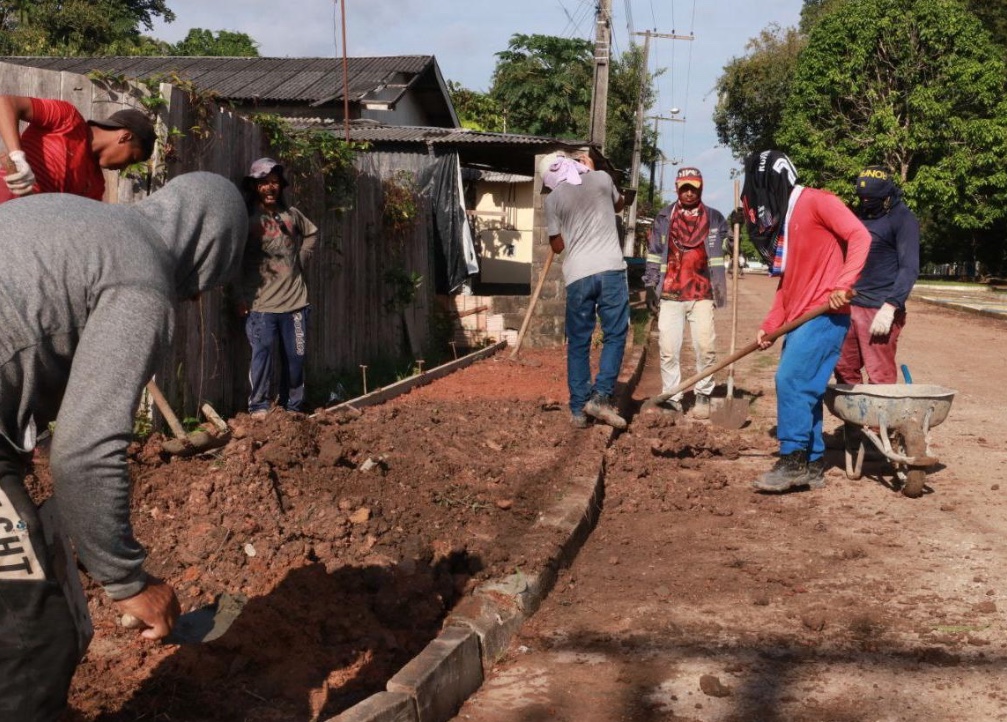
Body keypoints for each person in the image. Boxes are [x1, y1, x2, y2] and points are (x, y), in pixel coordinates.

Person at [0, 172, 247, 721]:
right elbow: (85, 453)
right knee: (31, 639)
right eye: (210, 279)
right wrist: (127, 580)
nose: (198, 293)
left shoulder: (76, 214)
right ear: (207, 249)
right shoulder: (142, 276)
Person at [741, 150, 871, 493]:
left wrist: (843, 284)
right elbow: (788, 284)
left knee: (791, 380)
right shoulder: (787, 221)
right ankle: (813, 464)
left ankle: (792, 460)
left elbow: (860, 236)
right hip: (799, 318)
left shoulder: (818, 202)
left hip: (825, 315)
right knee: (807, 390)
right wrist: (771, 323)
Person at [541, 151, 629, 430]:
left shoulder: (553, 199)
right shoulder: (602, 179)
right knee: (615, 334)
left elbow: (558, 246)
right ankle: (600, 396)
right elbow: (620, 204)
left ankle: (579, 408)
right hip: (610, 269)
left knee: (579, 342)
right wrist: (592, 171)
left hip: (578, 275)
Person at [643, 167, 728, 419]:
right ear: (677, 188)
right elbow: (654, 252)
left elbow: (724, 246)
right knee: (668, 348)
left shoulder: (715, 218)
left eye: (693, 188)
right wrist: (650, 284)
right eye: (684, 188)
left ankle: (703, 393)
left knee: (705, 346)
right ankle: (673, 396)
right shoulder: (663, 217)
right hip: (670, 293)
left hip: (702, 293)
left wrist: (732, 235)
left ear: (701, 188)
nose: (689, 193)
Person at [238, 158, 319, 418]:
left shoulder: (290, 215)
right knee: (261, 357)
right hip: (260, 305)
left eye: (274, 183)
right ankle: (259, 407)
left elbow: (312, 233)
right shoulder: (247, 220)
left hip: (295, 303)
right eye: (264, 183)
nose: (270, 188)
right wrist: (239, 297)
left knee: (295, 359)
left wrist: (302, 259)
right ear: (255, 187)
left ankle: (292, 407)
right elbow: (233, 261)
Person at [834, 166, 920, 385]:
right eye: (862, 197)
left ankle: (878, 421)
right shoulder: (857, 215)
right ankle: (853, 419)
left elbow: (909, 267)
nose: (865, 202)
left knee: (879, 374)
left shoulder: (903, 219)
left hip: (879, 308)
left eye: (871, 198)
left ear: (887, 196)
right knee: (843, 367)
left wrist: (891, 306)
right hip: (849, 303)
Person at [0, 94, 156, 202]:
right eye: (131, 159)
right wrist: (17, 157)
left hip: (21, 234)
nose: (123, 168)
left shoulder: (95, 186)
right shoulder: (67, 119)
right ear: (125, 137)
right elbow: (6, 103)